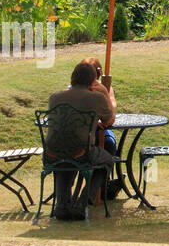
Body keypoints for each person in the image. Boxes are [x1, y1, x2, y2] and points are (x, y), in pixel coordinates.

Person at [46, 61, 117, 219]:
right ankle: (82, 203)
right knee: (106, 160)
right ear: (92, 81)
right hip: (81, 152)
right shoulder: (96, 97)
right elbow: (109, 121)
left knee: (64, 158)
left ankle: (62, 206)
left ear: (72, 78)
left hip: (51, 152)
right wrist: (105, 93)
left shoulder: (54, 97)